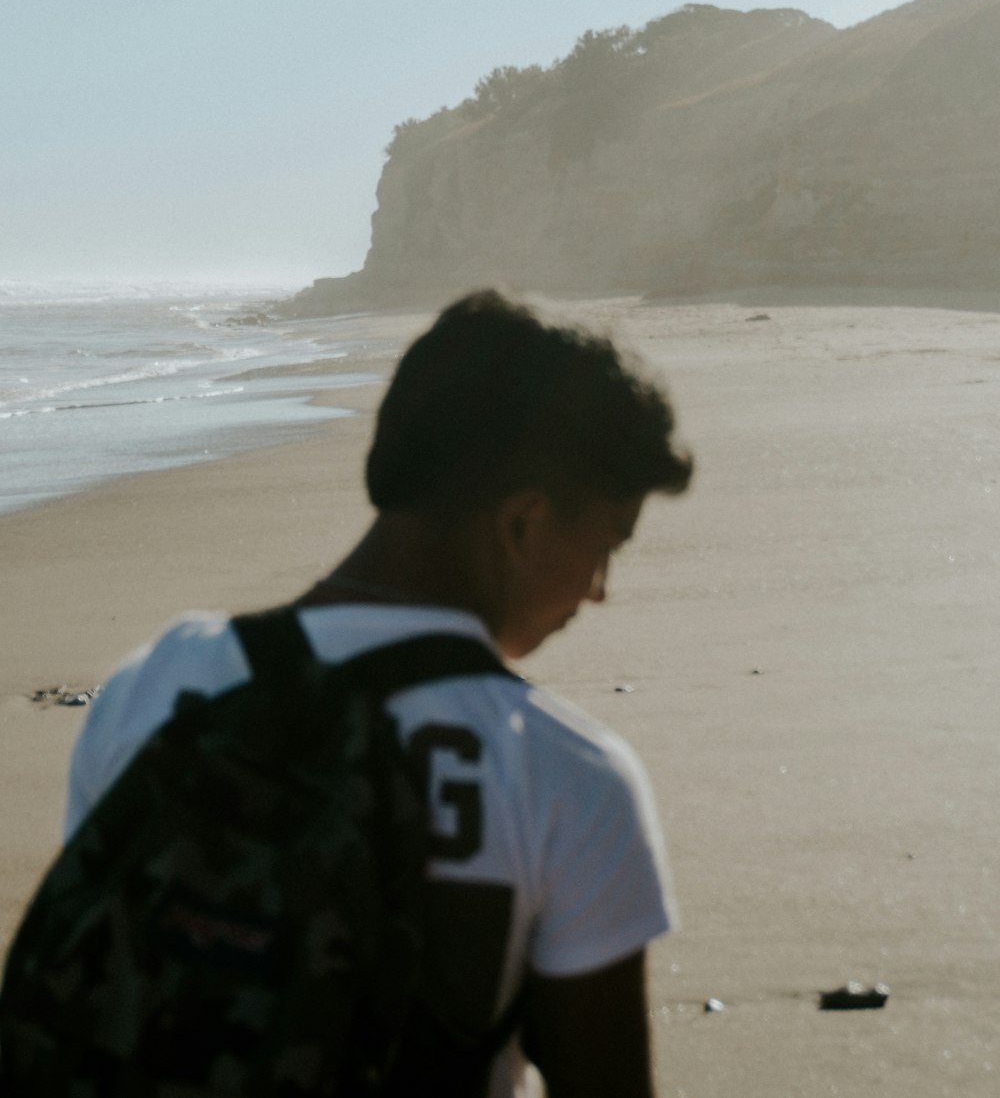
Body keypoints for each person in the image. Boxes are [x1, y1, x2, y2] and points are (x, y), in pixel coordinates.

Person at [63, 290, 694, 1097]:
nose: (599, 588)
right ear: (524, 524)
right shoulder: (561, 776)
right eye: (607, 543)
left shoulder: (154, 685)